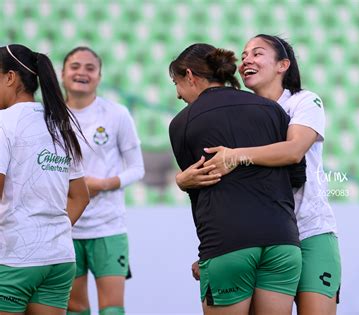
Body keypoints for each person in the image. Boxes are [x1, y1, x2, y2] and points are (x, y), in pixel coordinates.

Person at [179, 35, 342, 315]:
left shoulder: (305, 101)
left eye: (257, 54)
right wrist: (182, 181)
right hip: (266, 235)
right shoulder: (243, 111)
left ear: (283, 65)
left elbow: (293, 151)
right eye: (243, 56)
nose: (246, 61)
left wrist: (235, 155)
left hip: (310, 230)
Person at [168, 43, 303, 315]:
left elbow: (197, 185)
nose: (178, 94)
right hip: (282, 242)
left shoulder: (182, 123)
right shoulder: (273, 110)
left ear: (191, 76)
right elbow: (296, 175)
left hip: (226, 244)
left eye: (177, 83)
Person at [0, 44, 90, 315]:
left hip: (15, 259)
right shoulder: (61, 122)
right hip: (59, 258)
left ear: (10, 77)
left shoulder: (4, 121)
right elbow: (81, 196)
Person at [61, 47, 145, 315]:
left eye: (89, 68)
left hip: (108, 227)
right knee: (75, 307)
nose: (82, 73)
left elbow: (137, 169)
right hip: (66, 227)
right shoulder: (49, 116)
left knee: (112, 309)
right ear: (62, 74)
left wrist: (102, 184)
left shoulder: (116, 114)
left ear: (99, 76)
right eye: (75, 66)